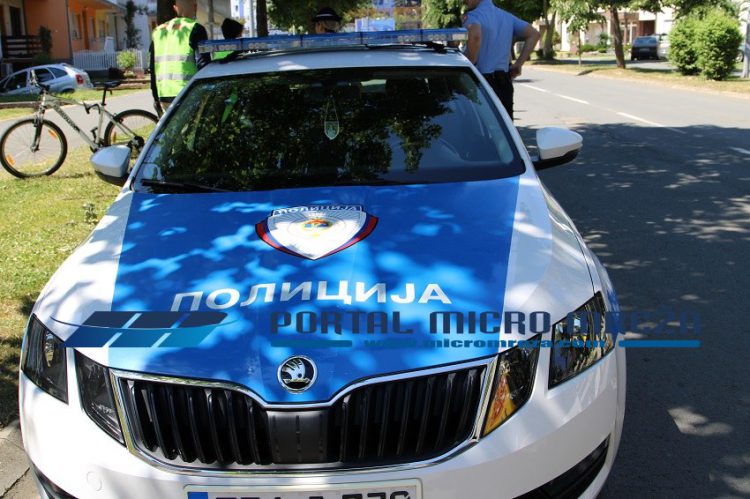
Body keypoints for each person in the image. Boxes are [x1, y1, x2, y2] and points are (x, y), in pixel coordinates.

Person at [462, 0, 540, 120]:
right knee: (504, 124)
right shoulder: (507, 17)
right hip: (504, 82)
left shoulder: (473, 16)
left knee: (480, 125)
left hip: (481, 82)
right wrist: (519, 64)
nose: (464, 1)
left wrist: (469, 62)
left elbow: (475, 37)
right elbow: (534, 34)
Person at [149, 0, 211, 114]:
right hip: (188, 94)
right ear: (195, 7)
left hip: (164, 94)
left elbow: (152, 68)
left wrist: (155, 96)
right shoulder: (195, 28)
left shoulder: (158, 31)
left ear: (175, 8)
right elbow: (203, 65)